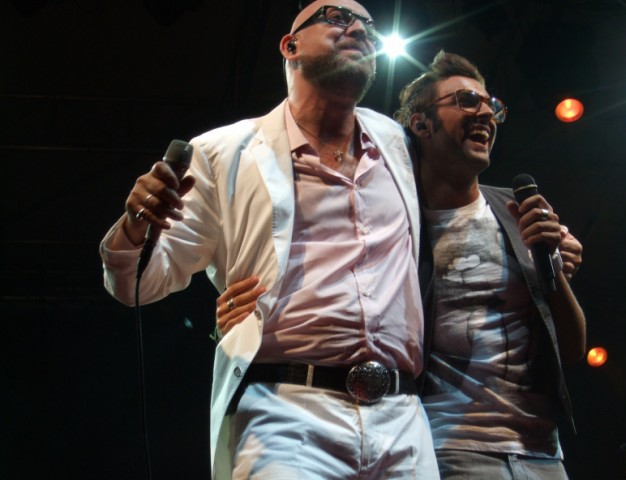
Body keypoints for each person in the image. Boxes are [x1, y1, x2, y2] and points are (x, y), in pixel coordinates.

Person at [99, 2, 440, 479]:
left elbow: (465, 204)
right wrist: (137, 222)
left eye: (369, 25)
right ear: (290, 45)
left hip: (402, 417)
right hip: (287, 414)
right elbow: (139, 284)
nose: (359, 29)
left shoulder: (399, 143)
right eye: (340, 17)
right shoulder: (223, 151)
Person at [392, 51, 586, 479]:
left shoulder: (517, 212)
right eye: (465, 100)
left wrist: (551, 263)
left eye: (491, 105)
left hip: (544, 453)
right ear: (421, 124)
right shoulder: (400, 223)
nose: (485, 113)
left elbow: (571, 348)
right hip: (451, 451)